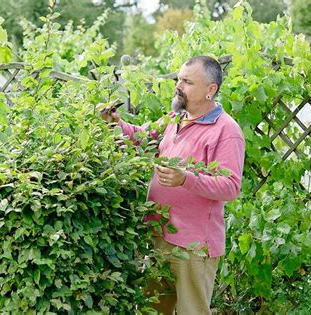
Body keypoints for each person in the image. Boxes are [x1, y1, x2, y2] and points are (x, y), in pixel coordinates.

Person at [101, 56, 245, 314]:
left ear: (210, 90)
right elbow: (141, 136)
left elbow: (230, 186)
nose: (179, 86)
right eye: (179, 79)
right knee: (153, 310)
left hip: (194, 247)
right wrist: (116, 122)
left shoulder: (226, 130)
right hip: (160, 236)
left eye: (188, 82)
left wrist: (186, 179)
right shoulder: (175, 118)